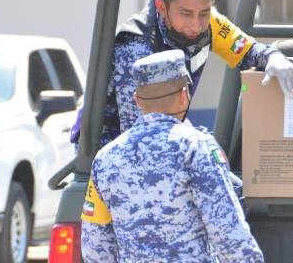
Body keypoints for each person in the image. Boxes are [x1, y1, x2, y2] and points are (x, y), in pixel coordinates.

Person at [71, 0, 293, 146]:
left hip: (163, 137)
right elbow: (140, 133)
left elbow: (248, 51)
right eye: (186, 13)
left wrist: (272, 58)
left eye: (204, 13)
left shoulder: (211, 24)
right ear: (162, 8)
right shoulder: (136, 47)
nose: (196, 25)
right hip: (112, 151)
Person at [81, 50, 265, 263]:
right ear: (184, 95)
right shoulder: (196, 147)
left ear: (137, 100)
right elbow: (227, 231)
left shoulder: (105, 158)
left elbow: (96, 247)